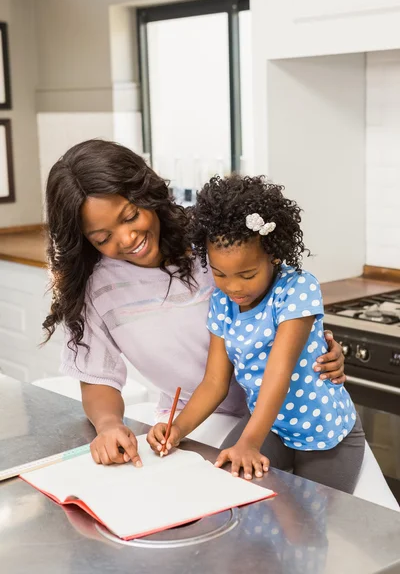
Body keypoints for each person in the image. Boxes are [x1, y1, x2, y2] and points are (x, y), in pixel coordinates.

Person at [43, 139, 346, 467]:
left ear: (147, 194)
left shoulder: (212, 240)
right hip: (199, 421)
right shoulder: (97, 289)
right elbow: (97, 377)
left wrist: (314, 352)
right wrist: (109, 425)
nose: (127, 238)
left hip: (290, 413)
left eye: (130, 216)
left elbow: (282, 297)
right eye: (103, 238)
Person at [147, 175, 365, 493]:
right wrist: (177, 429)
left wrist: (249, 441)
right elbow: (214, 382)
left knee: (310, 528)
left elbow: (280, 371)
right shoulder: (222, 302)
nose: (234, 287)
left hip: (324, 433)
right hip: (271, 428)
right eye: (219, 274)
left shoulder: (297, 290)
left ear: (274, 256)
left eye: (247, 275)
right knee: (227, 492)